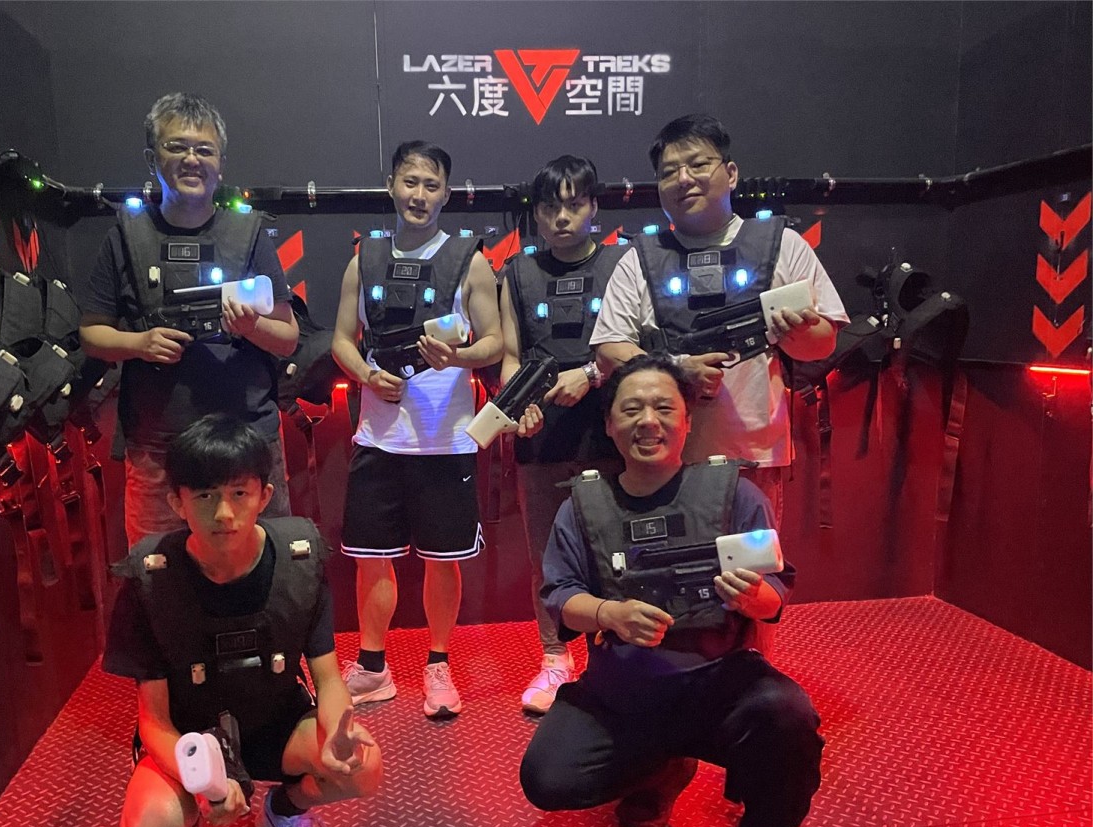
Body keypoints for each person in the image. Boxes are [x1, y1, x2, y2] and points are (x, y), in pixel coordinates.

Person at [518, 354, 824, 827]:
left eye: (664, 408)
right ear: (610, 424)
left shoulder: (734, 494)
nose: (648, 421)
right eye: (631, 409)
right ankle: (665, 766)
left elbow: (775, 594)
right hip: (623, 693)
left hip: (720, 684)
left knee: (788, 718)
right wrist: (608, 614)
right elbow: (560, 595)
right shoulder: (582, 505)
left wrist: (756, 597)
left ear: (687, 420)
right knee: (548, 778)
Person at [103, 413, 382, 827]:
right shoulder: (150, 580)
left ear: (264, 495)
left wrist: (336, 730)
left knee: (363, 766)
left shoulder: (300, 560)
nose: (224, 512)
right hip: (191, 740)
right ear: (177, 502)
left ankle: (285, 813)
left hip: (277, 723)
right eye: (205, 496)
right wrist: (201, 783)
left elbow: (327, 679)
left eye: (239, 493)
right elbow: (154, 720)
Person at [591, 113, 848, 525]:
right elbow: (608, 349)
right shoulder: (639, 258)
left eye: (697, 164)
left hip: (753, 456)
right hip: (661, 462)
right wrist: (677, 370)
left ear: (730, 174)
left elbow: (823, 343)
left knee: (751, 562)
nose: (684, 179)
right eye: (669, 172)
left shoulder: (783, 245)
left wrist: (795, 332)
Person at [330, 141, 503, 719]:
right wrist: (366, 376)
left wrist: (457, 359)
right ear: (391, 186)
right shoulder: (365, 259)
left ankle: (438, 665)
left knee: (442, 560)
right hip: (379, 439)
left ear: (446, 193)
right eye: (410, 182)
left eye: (431, 185)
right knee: (371, 559)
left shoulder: (470, 260)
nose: (419, 195)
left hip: (445, 441)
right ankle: (373, 668)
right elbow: (341, 340)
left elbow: (495, 342)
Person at [80, 92, 299, 547]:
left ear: (221, 164)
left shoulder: (249, 234)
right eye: (176, 146)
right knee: (157, 570)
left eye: (204, 150)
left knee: (264, 567)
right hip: (158, 446)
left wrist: (251, 328)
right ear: (152, 158)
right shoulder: (125, 236)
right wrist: (139, 344)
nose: (192, 159)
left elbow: (287, 338)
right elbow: (91, 333)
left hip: (247, 441)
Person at [497, 155, 628, 714]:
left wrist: (592, 374)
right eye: (551, 207)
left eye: (575, 204)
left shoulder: (623, 263)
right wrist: (515, 408)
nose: (562, 218)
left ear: (594, 207)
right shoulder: (517, 272)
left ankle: (619, 658)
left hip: (614, 433)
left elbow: (641, 343)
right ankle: (555, 659)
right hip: (543, 437)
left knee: (617, 551)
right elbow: (510, 356)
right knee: (548, 556)